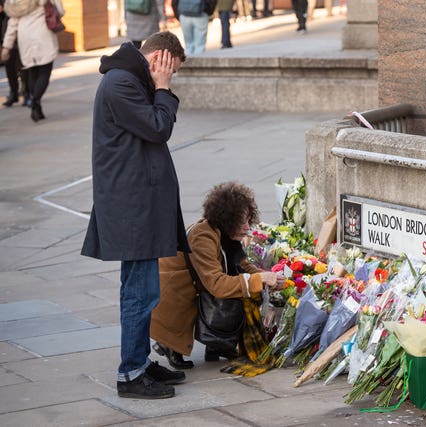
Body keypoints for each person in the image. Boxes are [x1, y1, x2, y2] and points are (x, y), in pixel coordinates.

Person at [80, 31, 189, 400]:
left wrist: (159, 88)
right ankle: (130, 373)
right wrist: (163, 88)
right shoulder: (121, 84)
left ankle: (140, 361)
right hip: (131, 205)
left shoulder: (129, 78)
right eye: (170, 68)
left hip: (140, 200)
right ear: (159, 58)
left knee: (143, 288)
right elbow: (159, 128)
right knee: (140, 293)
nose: (169, 75)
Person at [150, 182, 285, 370]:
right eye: (242, 222)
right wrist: (259, 280)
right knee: (238, 289)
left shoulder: (222, 233)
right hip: (174, 298)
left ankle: (216, 344)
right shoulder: (202, 237)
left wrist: (267, 276)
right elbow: (216, 284)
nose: (247, 227)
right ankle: (170, 345)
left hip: (194, 288)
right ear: (226, 219)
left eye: (248, 220)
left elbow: (242, 265)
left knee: (242, 286)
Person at [1, 0, 63, 121]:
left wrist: (6, 47)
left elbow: (12, 24)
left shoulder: (14, 2)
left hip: (25, 37)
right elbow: (59, 10)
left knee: (32, 71)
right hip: (43, 34)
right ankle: (35, 100)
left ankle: (36, 105)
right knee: (45, 72)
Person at [0, 0, 29, 107]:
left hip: (22, 32)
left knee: (23, 67)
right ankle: (14, 93)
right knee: (10, 67)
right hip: (7, 32)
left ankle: (27, 94)